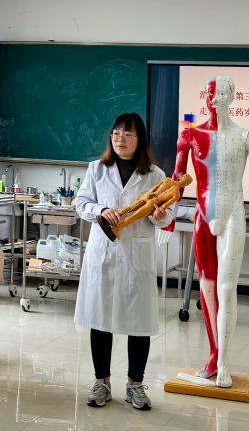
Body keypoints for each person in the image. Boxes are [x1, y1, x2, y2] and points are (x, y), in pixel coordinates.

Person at [173, 77, 249, 389]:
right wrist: (169, 218)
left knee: (227, 289)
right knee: (206, 290)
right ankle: (214, 355)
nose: (214, 99)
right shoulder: (189, 135)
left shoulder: (248, 137)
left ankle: (224, 363)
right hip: (204, 217)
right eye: (210, 94)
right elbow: (177, 178)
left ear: (232, 97)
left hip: (232, 215)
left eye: (220, 94)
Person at [74, 113, 175, 412]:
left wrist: (160, 216)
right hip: (103, 255)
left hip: (136, 257)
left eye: (128, 134)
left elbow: (168, 215)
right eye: (116, 133)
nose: (121, 139)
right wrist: (100, 210)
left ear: (139, 139)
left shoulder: (155, 175)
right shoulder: (97, 169)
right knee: (100, 320)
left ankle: (135, 385)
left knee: (139, 323)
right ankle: (101, 382)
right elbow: (80, 203)